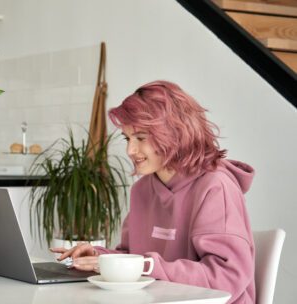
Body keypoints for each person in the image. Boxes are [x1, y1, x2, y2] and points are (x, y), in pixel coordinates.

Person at [51, 80, 255, 304]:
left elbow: (227, 278)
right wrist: (101, 256)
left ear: (174, 134)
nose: (130, 150)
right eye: (128, 139)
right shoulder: (142, 190)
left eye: (140, 138)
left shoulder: (216, 187)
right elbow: (134, 257)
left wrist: (146, 266)